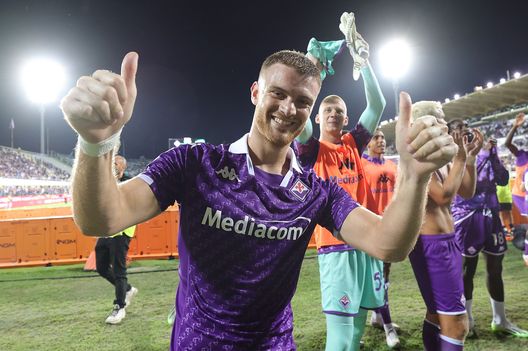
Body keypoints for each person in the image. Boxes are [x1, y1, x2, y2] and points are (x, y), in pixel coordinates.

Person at [60, 33, 457, 350]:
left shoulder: (316, 191)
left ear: (310, 110)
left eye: (303, 101)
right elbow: (101, 218)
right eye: (278, 94)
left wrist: (416, 175)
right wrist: (97, 143)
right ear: (255, 92)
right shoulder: (194, 164)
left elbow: (390, 245)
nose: (288, 108)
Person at [294, 17, 391, 349]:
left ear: (346, 118)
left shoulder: (353, 143)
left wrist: (362, 60)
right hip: (335, 247)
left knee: (359, 326)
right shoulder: (310, 149)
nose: (334, 113)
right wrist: (312, 72)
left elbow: (378, 104)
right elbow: (300, 115)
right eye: (327, 109)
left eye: (339, 110)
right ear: (318, 117)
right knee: (339, 333)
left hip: (366, 242)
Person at [408, 111, 483, 351]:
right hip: (432, 245)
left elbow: (468, 191)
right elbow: (443, 197)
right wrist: (461, 158)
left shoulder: (441, 159)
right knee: (458, 324)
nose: (449, 131)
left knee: (436, 314)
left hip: (444, 242)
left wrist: (469, 158)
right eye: (440, 124)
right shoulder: (417, 158)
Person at [452, 135, 528, 338]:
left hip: (491, 216)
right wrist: (479, 154)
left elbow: (503, 179)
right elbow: (466, 184)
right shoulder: (460, 154)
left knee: (496, 268)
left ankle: (500, 320)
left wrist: (493, 155)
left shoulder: (489, 154)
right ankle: (467, 321)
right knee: (467, 269)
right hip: (467, 215)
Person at [361, 129, 400, 348]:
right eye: (376, 137)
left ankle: (377, 317)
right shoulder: (360, 165)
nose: (381, 140)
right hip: (370, 229)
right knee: (376, 280)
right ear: (367, 143)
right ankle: (388, 327)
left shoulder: (393, 166)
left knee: (384, 276)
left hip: (389, 228)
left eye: (383, 137)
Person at [94, 154, 138, 324]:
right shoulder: (105, 181)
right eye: (112, 162)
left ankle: (119, 307)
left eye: (117, 163)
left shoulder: (130, 182)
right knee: (101, 267)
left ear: (124, 167)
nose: (114, 165)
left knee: (119, 269)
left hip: (123, 229)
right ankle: (127, 289)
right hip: (107, 229)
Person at [504, 112, 528, 264]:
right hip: (520, 195)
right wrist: (514, 127)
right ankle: (526, 254)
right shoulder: (523, 156)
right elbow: (507, 144)